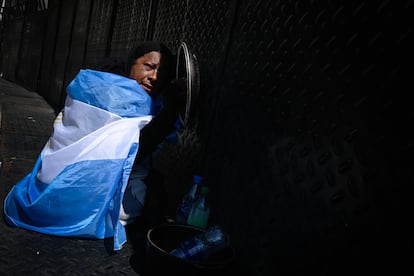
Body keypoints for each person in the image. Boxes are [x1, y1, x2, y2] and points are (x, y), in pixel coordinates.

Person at [3, 41, 186, 250]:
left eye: (161, 72)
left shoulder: (127, 95)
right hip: (74, 185)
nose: (154, 77)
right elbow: (132, 151)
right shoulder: (111, 93)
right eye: (149, 66)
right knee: (147, 191)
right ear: (132, 63)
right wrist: (168, 114)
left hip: (53, 182)